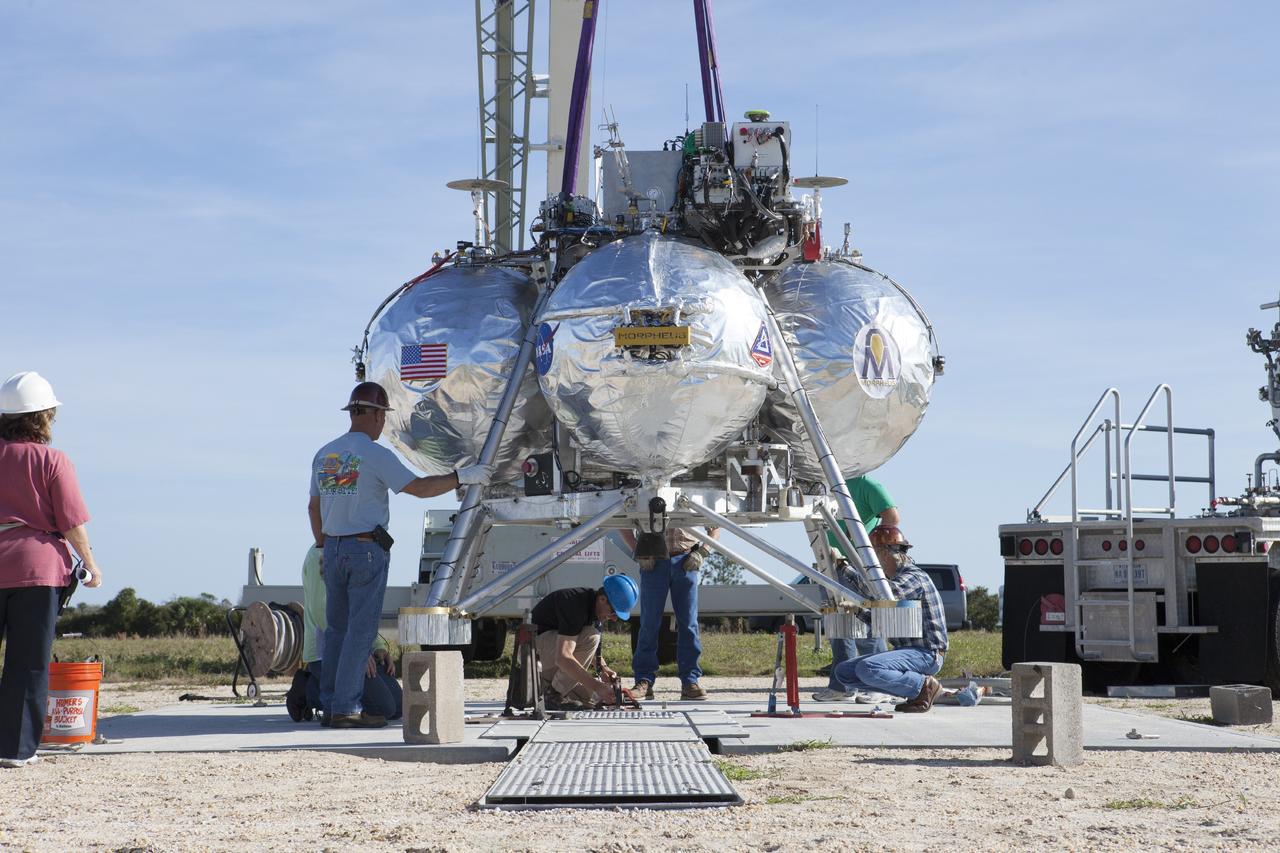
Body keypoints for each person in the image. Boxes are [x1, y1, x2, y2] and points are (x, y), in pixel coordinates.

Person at [309, 381, 492, 729]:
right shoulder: (375, 455)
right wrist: (461, 477)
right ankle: (347, 707)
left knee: (336, 630)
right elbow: (418, 489)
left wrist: (323, 546)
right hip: (365, 549)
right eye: (383, 416)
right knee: (359, 632)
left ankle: (331, 704)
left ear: (353, 413)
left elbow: (313, 507)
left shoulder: (325, 454)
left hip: (332, 549)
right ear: (378, 415)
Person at [0, 372, 103, 768]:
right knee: (27, 663)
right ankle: (16, 749)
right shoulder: (53, 461)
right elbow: (72, 521)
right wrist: (90, 564)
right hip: (36, 570)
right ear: (44, 416)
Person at [814, 525, 948, 712]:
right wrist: (857, 611)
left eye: (871, 555)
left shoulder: (913, 577)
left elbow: (884, 595)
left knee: (867, 668)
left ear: (886, 553)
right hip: (910, 652)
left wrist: (843, 567)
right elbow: (885, 622)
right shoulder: (898, 580)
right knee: (844, 673)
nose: (868, 562)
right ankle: (914, 691)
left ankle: (924, 686)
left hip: (927, 654)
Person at [286, 544, 402, 723]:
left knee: (398, 707)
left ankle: (329, 688)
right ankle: (308, 689)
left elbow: (360, 612)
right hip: (326, 655)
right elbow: (321, 611)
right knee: (383, 708)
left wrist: (377, 646)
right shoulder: (318, 554)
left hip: (355, 649)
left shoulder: (352, 549)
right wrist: (355, 652)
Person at [820, 474, 900, 701]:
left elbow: (892, 517)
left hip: (858, 564)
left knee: (867, 625)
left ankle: (880, 685)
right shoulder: (826, 484)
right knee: (839, 627)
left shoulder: (866, 484)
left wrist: (867, 543)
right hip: (831, 563)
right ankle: (841, 687)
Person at [620, 526, 718, 700]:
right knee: (649, 624)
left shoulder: (694, 497)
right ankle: (644, 680)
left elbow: (715, 526)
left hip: (686, 559)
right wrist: (637, 550)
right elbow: (622, 522)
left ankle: (690, 681)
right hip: (653, 560)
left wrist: (703, 551)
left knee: (688, 624)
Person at [530, 575, 639, 710]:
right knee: (591, 637)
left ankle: (547, 689)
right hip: (531, 654)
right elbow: (563, 657)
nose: (614, 619)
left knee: (591, 699)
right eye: (614, 612)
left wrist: (603, 669)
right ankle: (552, 695)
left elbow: (576, 644)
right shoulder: (574, 605)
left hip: (543, 657)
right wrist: (597, 686)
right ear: (602, 599)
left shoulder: (593, 608)